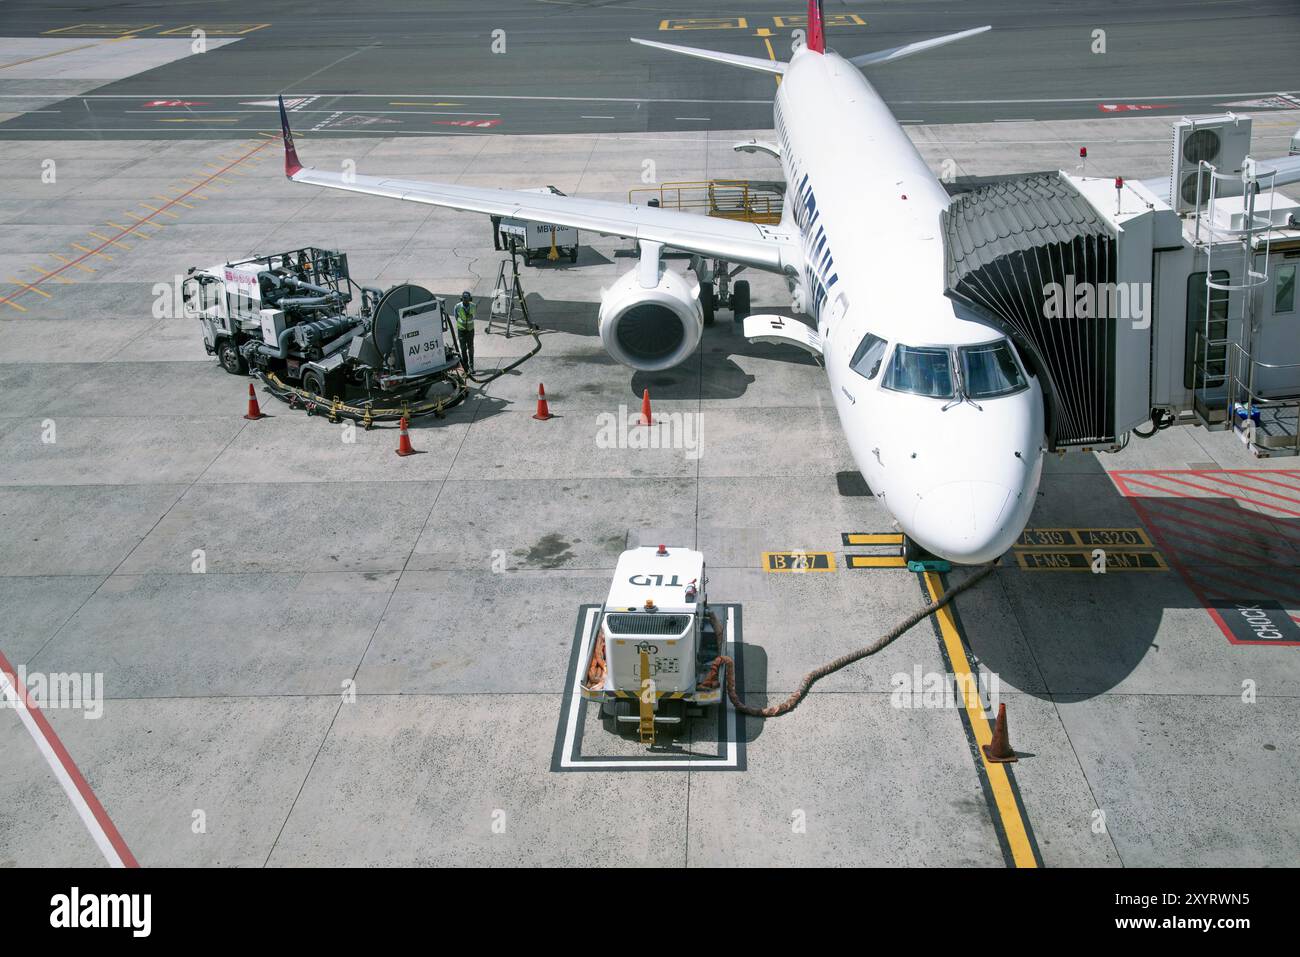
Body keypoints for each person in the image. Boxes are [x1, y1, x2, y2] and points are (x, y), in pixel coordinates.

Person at [454, 291, 477, 373]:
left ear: (470, 299)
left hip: (470, 330)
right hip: (461, 330)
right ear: (461, 299)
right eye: (464, 299)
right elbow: (456, 317)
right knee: (463, 349)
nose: (465, 300)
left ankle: (471, 366)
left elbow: (474, 316)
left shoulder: (473, 306)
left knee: (470, 348)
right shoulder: (457, 306)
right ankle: (466, 367)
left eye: (467, 299)